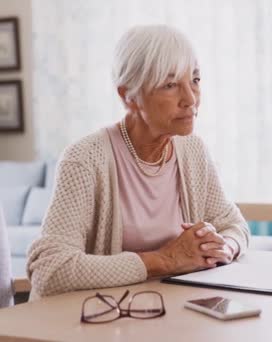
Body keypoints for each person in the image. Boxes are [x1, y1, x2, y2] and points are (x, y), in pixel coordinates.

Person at [27, 25, 250, 300]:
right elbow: (50, 270)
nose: (191, 99)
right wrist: (165, 260)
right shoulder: (84, 159)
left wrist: (223, 248)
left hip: (169, 314)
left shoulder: (193, 150)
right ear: (128, 96)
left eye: (195, 79)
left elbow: (233, 224)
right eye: (170, 85)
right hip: (98, 323)